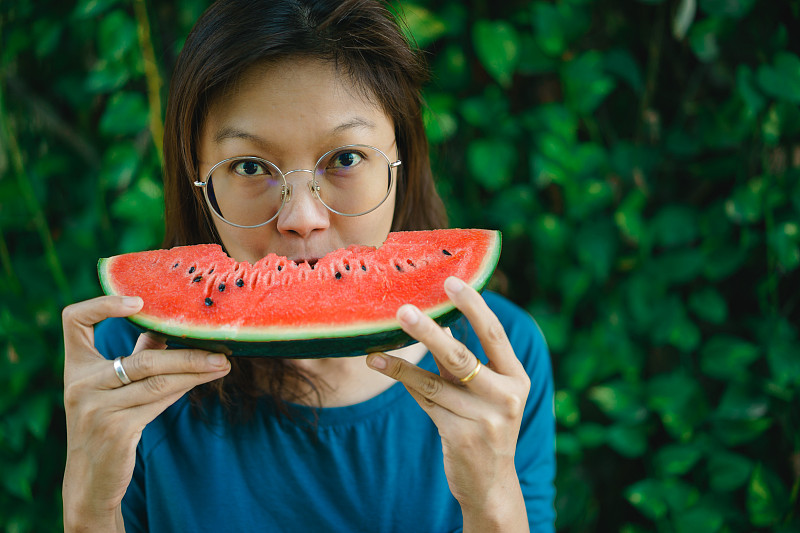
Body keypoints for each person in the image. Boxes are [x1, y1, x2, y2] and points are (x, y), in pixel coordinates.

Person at [61, 1, 556, 531]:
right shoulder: (128, 363)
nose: (301, 218)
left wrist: (492, 502)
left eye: (345, 158)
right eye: (249, 166)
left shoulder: (502, 357)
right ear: (197, 180)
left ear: (400, 160)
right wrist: (90, 506)